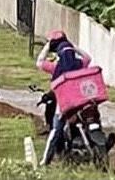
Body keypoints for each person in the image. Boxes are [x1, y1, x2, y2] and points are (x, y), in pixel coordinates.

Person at [36, 29, 92, 166]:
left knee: (56, 129)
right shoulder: (79, 64)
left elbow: (39, 62)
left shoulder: (56, 67)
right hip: (80, 101)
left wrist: (47, 46)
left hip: (63, 103)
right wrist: (73, 47)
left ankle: (45, 161)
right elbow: (88, 58)